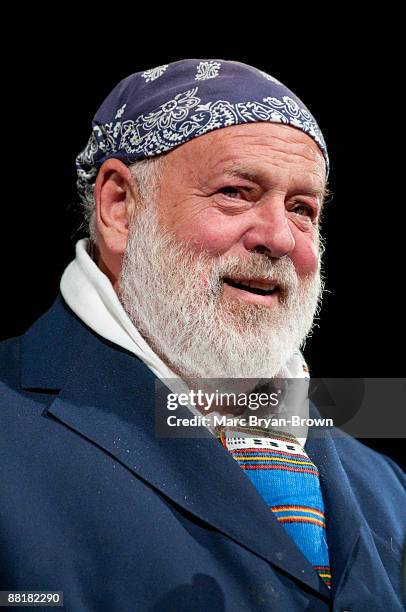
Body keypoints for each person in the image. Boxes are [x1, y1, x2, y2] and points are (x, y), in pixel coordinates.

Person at [0, 59, 404, 611]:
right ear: (120, 206)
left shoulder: (384, 484)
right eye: (236, 192)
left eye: (302, 208)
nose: (280, 238)